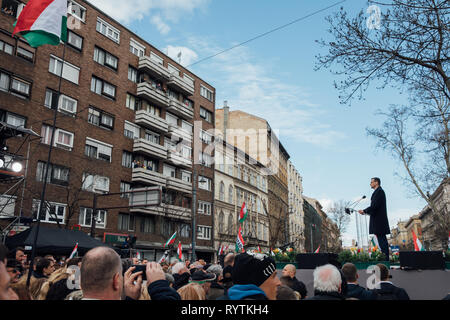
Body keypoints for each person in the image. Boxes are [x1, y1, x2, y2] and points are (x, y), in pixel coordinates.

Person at [358, 177, 391, 260]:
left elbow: (375, 206)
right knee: (381, 240)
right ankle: (385, 258)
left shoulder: (379, 192)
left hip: (379, 221)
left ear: (376, 182)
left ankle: (385, 260)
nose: (370, 184)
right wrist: (366, 212)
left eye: (371, 182)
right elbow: (375, 207)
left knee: (382, 241)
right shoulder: (377, 192)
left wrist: (364, 211)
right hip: (378, 220)